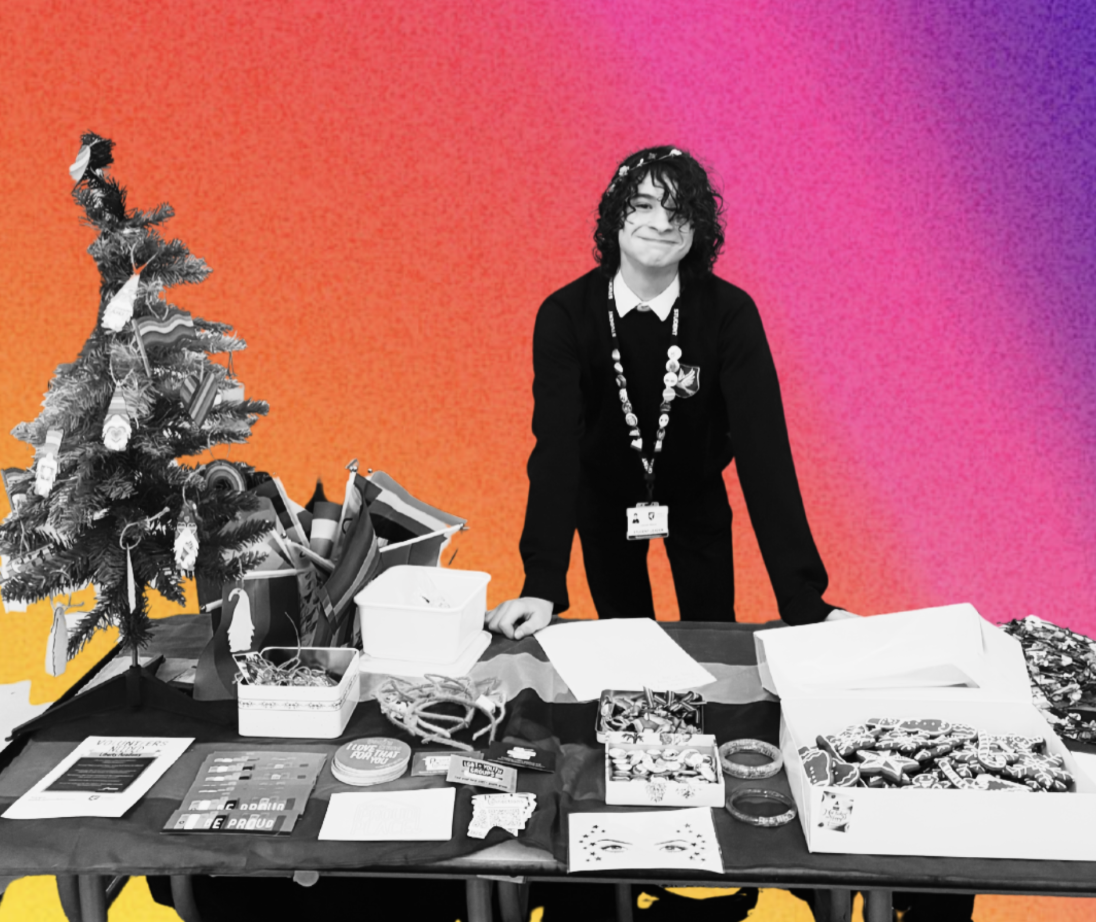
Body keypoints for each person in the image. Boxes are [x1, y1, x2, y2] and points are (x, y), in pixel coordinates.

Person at [489, 145, 855, 639]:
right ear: (615, 214)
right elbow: (556, 450)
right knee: (625, 644)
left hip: (696, 494)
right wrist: (542, 584)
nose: (661, 223)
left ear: (698, 228)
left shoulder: (730, 314)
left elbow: (764, 454)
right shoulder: (565, 315)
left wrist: (802, 597)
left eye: (679, 211)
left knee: (712, 639)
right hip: (603, 498)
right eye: (643, 205)